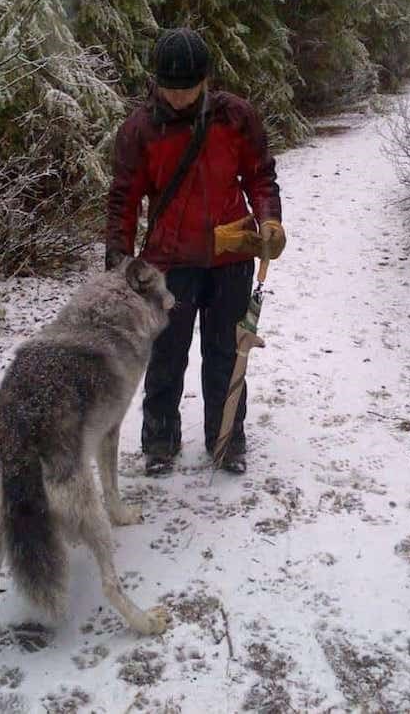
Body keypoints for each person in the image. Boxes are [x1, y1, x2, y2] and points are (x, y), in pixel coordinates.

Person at [105, 27, 285, 475]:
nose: (179, 97)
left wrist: (269, 220)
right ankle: (160, 443)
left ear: (206, 79)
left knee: (227, 352)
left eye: (188, 88)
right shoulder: (140, 131)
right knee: (167, 356)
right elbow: (124, 199)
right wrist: (119, 260)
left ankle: (226, 439)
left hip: (232, 258)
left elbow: (260, 176)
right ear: (157, 81)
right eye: (171, 88)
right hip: (168, 264)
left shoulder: (236, 118)